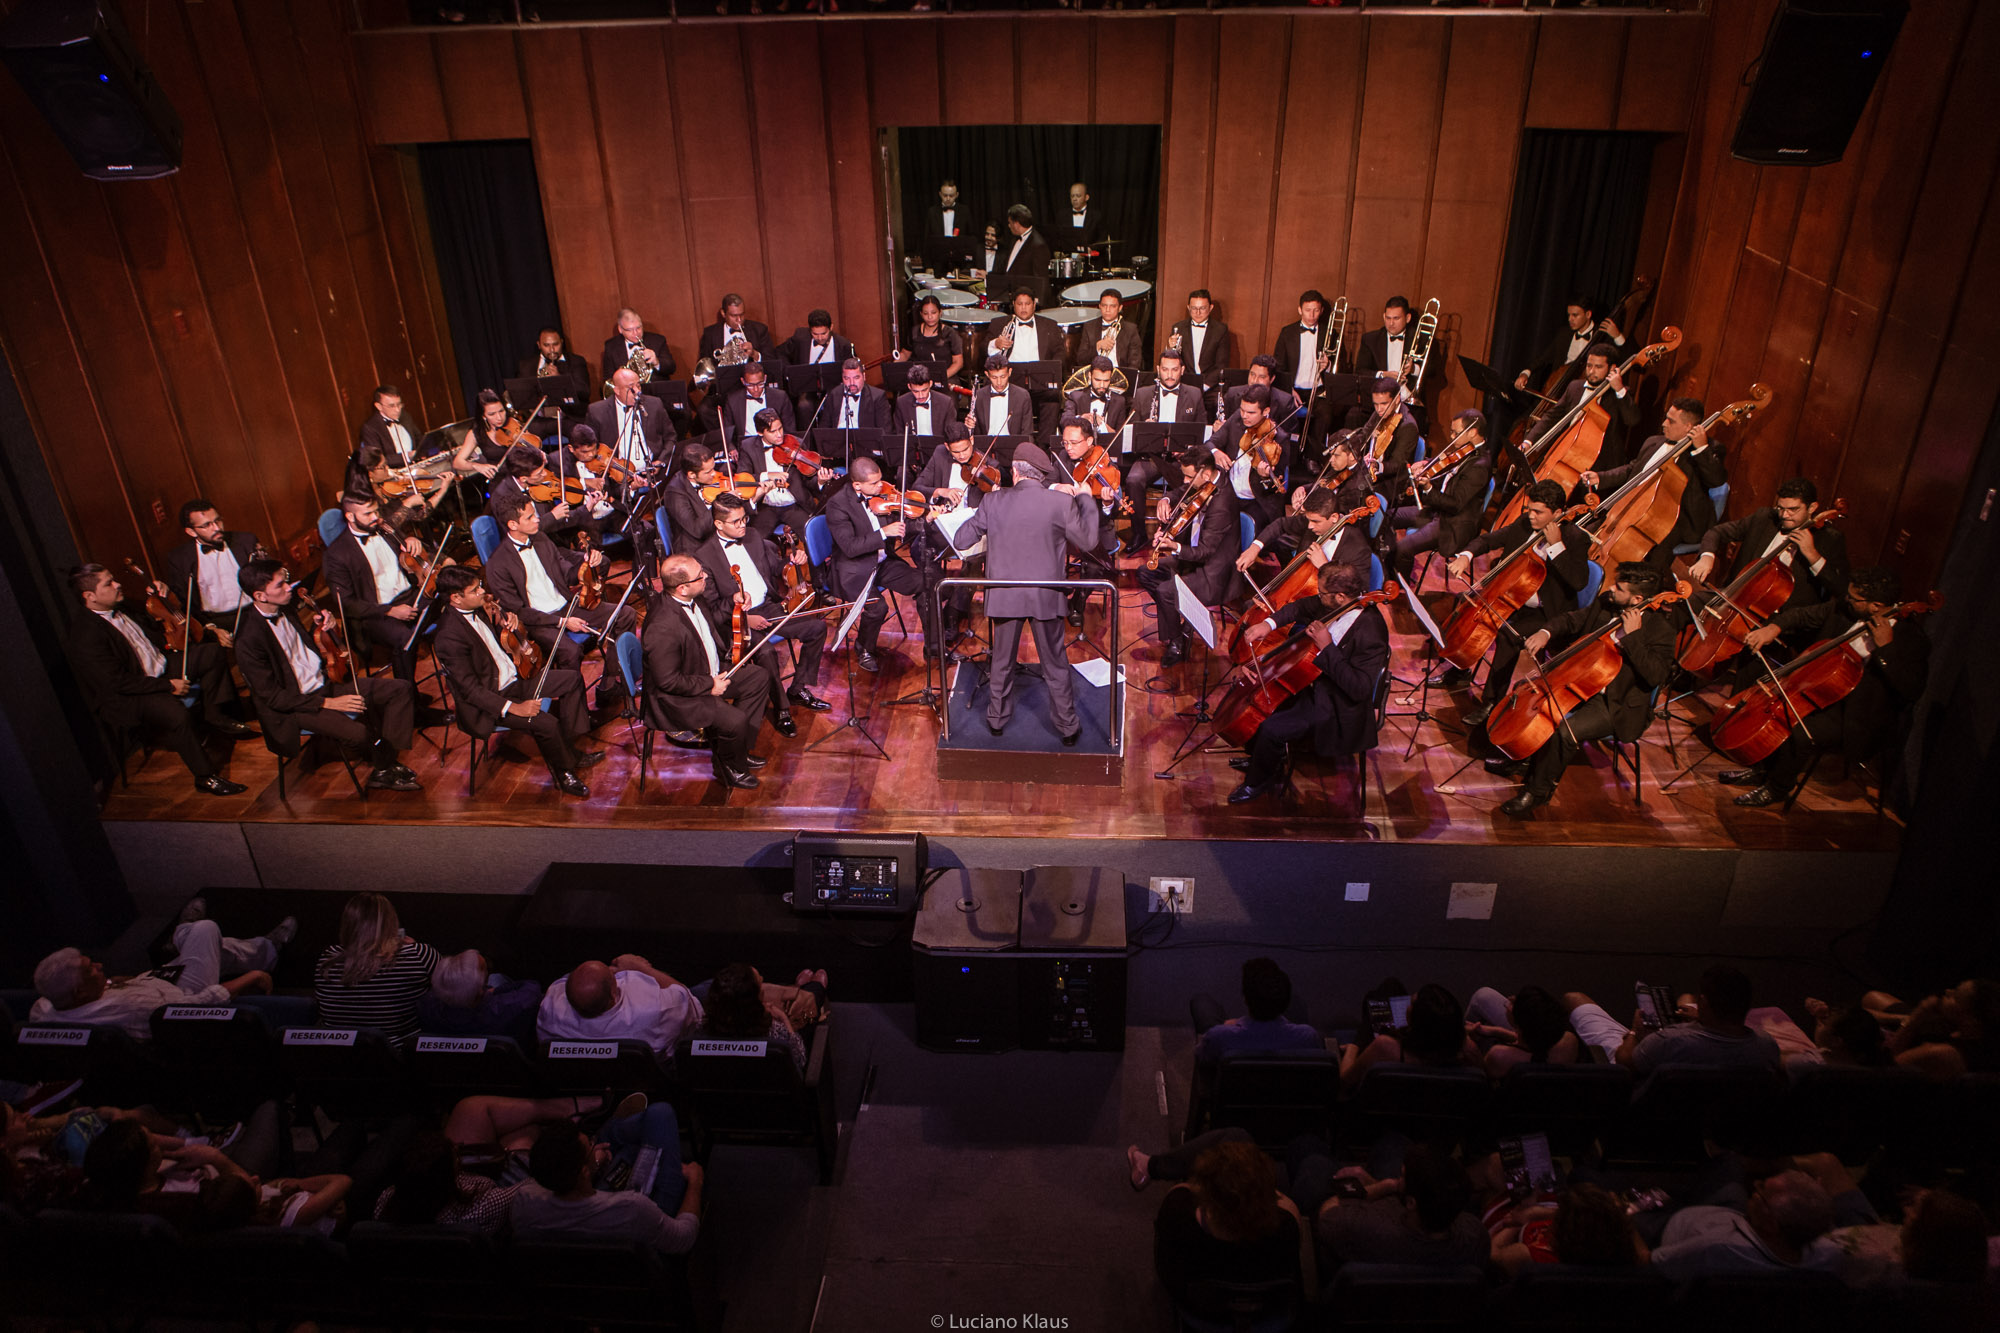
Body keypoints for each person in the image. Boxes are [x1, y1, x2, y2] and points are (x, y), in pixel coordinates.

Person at [1722, 566, 1930, 808]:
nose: (1846, 599)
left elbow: (1912, 689)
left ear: (1876, 606)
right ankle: (1761, 771)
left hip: (1859, 713)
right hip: (1821, 690)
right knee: (1781, 711)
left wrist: (1886, 650)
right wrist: (1773, 629)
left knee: (1798, 730)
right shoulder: (1846, 610)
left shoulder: (1912, 639)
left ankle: (1778, 788)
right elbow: (1802, 615)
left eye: (1854, 598)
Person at [1491, 561, 1677, 819]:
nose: (1611, 588)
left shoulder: (1661, 630)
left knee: (1565, 732)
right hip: (1578, 683)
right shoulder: (1608, 603)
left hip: (1614, 704)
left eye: (1619, 587)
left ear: (1637, 598)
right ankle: (1523, 757)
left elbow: (1656, 675)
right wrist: (1545, 632)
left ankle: (1537, 793)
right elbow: (1573, 620)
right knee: (1536, 703)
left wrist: (1632, 638)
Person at [948, 442, 1099, 741]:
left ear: (1015, 472)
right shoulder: (1059, 503)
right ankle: (1068, 728)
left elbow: (961, 540)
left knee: (1002, 661)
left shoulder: (993, 502)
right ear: (1041, 477)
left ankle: (996, 720)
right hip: (1046, 595)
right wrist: (1086, 499)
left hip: (1005, 596)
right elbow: (1090, 541)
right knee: (1055, 664)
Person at [233, 557, 422, 792]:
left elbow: (302, 652)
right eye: (279, 585)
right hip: (296, 706)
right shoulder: (248, 640)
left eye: (285, 581)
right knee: (359, 731)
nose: (288, 587)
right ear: (260, 596)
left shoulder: (286, 608)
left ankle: (384, 764)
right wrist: (329, 703)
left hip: (323, 683)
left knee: (400, 689)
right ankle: (384, 763)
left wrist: (324, 627)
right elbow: (272, 697)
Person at [67, 563, 253, 795]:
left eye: (114, 579)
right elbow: (117, 683)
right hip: (134, 692)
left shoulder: (122, 605)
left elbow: (152, 614)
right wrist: (168, 686)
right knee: (176, 714)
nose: (118, 584)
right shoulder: (85, 637)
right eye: (109, 583)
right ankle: (205, 777)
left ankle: (214, 715)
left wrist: (158, 593)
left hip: (161, 667)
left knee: (211, 653)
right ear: (90, 596)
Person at [1227, 562, 1390, 805]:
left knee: (1272, 727)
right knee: (1260, 696)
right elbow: (1300, 607)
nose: (1318, 597)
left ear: (1340, 596)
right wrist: (1267, 624)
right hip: (1312, 681)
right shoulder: (1334, 605)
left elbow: (1359, 689)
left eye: (1322, 593)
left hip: (1336, 703)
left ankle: (1259, 781)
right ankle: (1260, 757)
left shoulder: (1371, 630)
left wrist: (1327, 648)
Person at [430, 565, 599, 798]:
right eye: (474, 590)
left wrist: (506, 618)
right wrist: (514, 708)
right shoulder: (448, 638)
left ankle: (570, 747)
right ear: (456, 598)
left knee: (571, 679)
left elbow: (494, 614)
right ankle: (564, 772)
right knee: (546, 723)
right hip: (492, 699)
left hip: (513, 679)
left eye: (479, 586)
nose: (482, 593)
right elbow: (470, 691)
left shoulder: (476, 608)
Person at [30, 899, 288, 1038]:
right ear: (79, 992)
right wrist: (251, 978)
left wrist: (108, 985)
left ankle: (260, 949)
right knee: (206, 930)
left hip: (150, 981)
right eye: (91, 970)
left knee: (214, 950)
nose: (99, 965)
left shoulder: (43, 1010)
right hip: (183, 992)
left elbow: (83, 1009)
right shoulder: (135, 1007)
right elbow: (197, 1007)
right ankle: (262, 954)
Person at [1441, 479, 1592, 717]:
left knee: (1507, 635)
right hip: (1512, 597)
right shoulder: (1524, 524)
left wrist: (1556, 547)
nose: (1530, 516)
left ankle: (1490, 702)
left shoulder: (1575, 538)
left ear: (1558, 513)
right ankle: (1459, 667)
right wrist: (1466, 555)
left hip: (1545, 611)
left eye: (1538, 512)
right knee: (1466, 602)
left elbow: (1579, 581)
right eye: (1529, 509)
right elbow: (1488, 540)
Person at [689, 491, 829, 733]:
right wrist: (745, 617)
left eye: (744, 519)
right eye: (736, 522)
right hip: (737, 621)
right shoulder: (703, 557)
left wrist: (792, 560)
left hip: (770, 606)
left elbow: (774, 567)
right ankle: (782, 708)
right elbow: (711, 609)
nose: (743, 525)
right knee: (764, 652)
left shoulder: (752, 536)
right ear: (718, 524)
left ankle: (797, 689)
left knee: (817, 627)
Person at [641, 554, 772, 789]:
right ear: (682, 588)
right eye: (700, 576)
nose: (706, 578)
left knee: (758, 677)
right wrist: (709, 685)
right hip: (678, 696)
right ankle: (728, 767)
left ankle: (737, 751)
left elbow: (712, 624)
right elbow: (668, 681)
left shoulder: (695, 599)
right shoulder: (662, 627)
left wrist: (735, 602)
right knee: (734, 720)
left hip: (708, 670)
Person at [1148, 1136, 1312, 1323]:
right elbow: (1288, 1206)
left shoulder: (1178, 1213)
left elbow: (1184, 1189)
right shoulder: (1286, 1229)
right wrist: (1256, 1190)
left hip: (1200, 1315)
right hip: (1265, 1318)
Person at [1687, 477, 1850, 660]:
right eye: (1781, 508)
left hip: (1780, 620)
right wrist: (1707, 557)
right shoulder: (1765, 518)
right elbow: (1717, 532)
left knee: (1752, 660)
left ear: (1812, 508)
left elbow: (1841, 588)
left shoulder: (1829, 539)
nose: (1784, 515)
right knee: (1687, 604)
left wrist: (1813, 555)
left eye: (1793, 510)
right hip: (1735, 598)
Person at [483, 491, 628, 687]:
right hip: (539, 621)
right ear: (513, 525)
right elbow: (518, 611)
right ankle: (573, 713)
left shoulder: (541, 539)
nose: (537, 519)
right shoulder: (497, 564)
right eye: (530, 517)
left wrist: (588, 564)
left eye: (535, 513)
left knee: (625, 614)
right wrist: (561, 622)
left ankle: (610, 684)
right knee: (571, 652)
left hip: (566, 605)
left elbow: (567, 574)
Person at [511, 1108, 703, 1255]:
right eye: (590, 1147)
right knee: (661, 1113)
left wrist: (593, 1164)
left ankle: (625, 1145)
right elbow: (684, 1238)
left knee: (623, 1144)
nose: (594, 1148)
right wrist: (695, 1182)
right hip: (644, 1222)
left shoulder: (523, 1202)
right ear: (584, 1172)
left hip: (593, 1236)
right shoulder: (633, 1207)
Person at [1574, 396, 1726, 574]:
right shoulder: (1654, 442)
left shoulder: (1709, 449)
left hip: (1674, 519)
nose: (1664, 424)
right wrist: (1601, 478)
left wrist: (1701, 448)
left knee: (1652, 561)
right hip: (1633, 506)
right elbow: (1633, 469)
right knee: (1582, 535)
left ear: (1689, 427)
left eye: (1671, 421)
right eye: (1666, 417)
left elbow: (1717, 479)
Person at [822, 455, 942, 670]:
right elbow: (850, 547)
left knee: (928, 582)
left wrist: (926, 520)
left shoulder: (882, 497)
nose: (881, 486)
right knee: (877, 608)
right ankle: (864, 648)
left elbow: (901, 526)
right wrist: (883, 533)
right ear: (857, 484)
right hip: (853, 570)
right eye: (874, 483)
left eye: (880, 481)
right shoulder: (837, 505)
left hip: (882, 562)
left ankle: (933, 646)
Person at [1312, 1142, 1491, 1270]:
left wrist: (1381, 1187)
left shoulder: (1359, 1228)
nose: (1398, 1180)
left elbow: (1326, 1212)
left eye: (1402, 1176)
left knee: (1314, 1159)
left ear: (1411, 1203)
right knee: (1393, 1144)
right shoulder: (1476, 1238)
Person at [1139, 446, 1239, 667]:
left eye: (1188, 476)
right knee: (1146, 572)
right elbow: (1181, 491)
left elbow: (1205, 552)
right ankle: (1178, 621)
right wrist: (1165, 499)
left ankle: (1178, 641)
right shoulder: (1203, 483)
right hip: (1192, 558)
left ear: (1205, 473)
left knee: (1166, 591)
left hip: (1212, 572)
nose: (1184, 480)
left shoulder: (1222, 503)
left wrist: (1173, 545)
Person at [321, 493, 429, 682]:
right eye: (367, 514)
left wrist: (411, 541)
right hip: (375, 614)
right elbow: (346, 604)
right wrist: (390, 611)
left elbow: (407, 552)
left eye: (376, 511)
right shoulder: (337, 554)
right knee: (405, 639)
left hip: (411, 596)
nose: (375, 517)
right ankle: (409, 699)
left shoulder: (385, 528)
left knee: (451, 603)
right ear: (350, 517)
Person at [313, 891, 439, 1047]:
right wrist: (413, 948)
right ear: (391, 922)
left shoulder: (328, 959)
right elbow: (453, 988)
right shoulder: (419, 954)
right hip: (399, 1057)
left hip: (341, 1054)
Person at [1389, 409, 1493, 587]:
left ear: (1473, 432)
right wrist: (1426, 463)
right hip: (1437, 510)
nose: (1451, 436)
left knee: (1403, 548)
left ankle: (1400, 590)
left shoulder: (1480, 466)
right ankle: (1389, 572)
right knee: (1388, 516)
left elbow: (1455, 505)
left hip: (1452, 523)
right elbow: (1447, 468)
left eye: (1455, 432)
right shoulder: (1464, 450)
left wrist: (1428, 488)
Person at [537, 954, 703, 1055]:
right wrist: (641, 968)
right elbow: (687, 999)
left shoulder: (550, 1010)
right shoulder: (655, 1009)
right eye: (614, 977)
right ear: (613, 994)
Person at [684, 962, 828, 1074]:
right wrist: (784, 1019)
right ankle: (816, 988)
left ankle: (799, 987)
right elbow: (799, 1060)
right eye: (762, 986)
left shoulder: (697, 1033)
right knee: (810, 1008)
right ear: (755, 1002)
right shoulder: (777, 1034)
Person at [1520, 341, 1642, 474]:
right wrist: (1528, 441)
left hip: (1599, 466)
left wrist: (1619, 389)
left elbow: (1632, 420)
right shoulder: (1575, 387)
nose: (1591, 371)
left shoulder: (1618, 394)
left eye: (1598, 367)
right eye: (1589, 366)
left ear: (1612, 369)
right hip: (1566, 452)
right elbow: (1551, 416)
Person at [1123, 347, 1210, 532]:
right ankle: (1138, 534)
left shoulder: (1194, 394)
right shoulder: (1143, 394)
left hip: (1182, 459)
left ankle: (1179, 533)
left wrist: (1188, 450)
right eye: (1165, 369)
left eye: (1174, 369)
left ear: (1183, 370)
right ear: (1158, 369)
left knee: (1193, 481)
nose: (1169, 375)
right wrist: (1144, 428)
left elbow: (1203, 433)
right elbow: (1131, 436)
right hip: (1152, 457)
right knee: (1133, 480)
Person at [1339, 983, 1481, 1088]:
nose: (1407, 1006)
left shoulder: (1385, 1046)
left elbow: (1345, 1079)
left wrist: (1353, 1048)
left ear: (1416, 1021)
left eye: (1411, 1004)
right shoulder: (1468, 1050)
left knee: (1376, 1001)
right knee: (1391, 987)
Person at [374, 1129, 520, 1231]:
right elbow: (526, 1189)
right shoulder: (484, 1206)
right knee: (522, 1136)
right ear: (449, 1174)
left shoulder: (386, 1200)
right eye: (456, 1158)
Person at [1189, 957, 1322, 1068]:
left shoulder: (1219, 1036)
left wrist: (1228, 1027)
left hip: (1235, 1096)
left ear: (1245, 999)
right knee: (1298, 1003)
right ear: (1285, 1000)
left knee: (1201, 1002)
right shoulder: (1308, 1037)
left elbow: (1202, 1057)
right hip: (1287, 1096)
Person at [161, 499, 263, 639]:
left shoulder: (246, 541)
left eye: (218, 520)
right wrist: (211, 629)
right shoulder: (180, 559)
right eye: (207, 525)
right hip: (216, 622)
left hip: (255, 611)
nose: (216, 528)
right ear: (191, 531)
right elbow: (185, 601)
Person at [416, 949, 544, 1047]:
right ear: (480, 991)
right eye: (485, 970)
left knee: (496, 978)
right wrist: (494, 991)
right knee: (497, 978)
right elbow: (532, 988)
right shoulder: (511, 1007)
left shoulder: (426, 1008)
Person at [1210, 382, 1290, 531]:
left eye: (1251, 413)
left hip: (1258, 502)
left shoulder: (1280, 439)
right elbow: (1211, 443)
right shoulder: (1236, 419)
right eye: (1242, 410)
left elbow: (1273, 488)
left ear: (1266, 411)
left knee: (1246, 529)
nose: (1245, 416)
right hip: (1230, 495)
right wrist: (1216, 452)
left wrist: (1264, 477)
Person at [349, 384, 435, 521]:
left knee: (439, 479)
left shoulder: (405, 416)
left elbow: (419, 439)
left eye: (399, 404)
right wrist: (406, 456)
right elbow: (377, 461)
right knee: (421, 497)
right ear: (378, 406)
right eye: (392, 406)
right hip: (394, 475)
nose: (397, 410)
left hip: (416, 467)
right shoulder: (370, 428)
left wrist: (423, 452)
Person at [1464, 984, 1584, 1078]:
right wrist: (1498, 1031)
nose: (1510, 1000)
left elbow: (1479, 1078)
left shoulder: (1498, 1056)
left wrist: (1467, 1038)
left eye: (1513, 1005)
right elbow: (1534, 1050)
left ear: (1519, 1025)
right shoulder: (1568, 1042)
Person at [1514, 295, 1611, 399]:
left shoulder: (1601, 336)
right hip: (1558, 388)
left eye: (1575, 315)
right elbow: (1543, 358)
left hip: (1584, 393)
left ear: (1588, 314)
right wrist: (1525, 373)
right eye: (1569, 315)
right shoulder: (1564, 334)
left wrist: (1618, 336)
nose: (1570, 319)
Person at [585, 367, 675, 472]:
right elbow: (590, 448)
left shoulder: (654, 404)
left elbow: (670, 437)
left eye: (638, 386)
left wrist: (661, 461)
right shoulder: (597, 411)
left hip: (652, 473)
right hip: (617, 477)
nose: (637, 391)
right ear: (617, 390)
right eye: (631, 388)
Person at [520, 325, 591, 443]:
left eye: (556, 344)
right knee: (524, 441)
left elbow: (584, 391)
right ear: (539, 345)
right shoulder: (526, 366)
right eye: (546, 345)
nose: (552, 349)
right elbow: (523, 395)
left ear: (561, 342)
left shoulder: (576, 362)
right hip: (540, 420)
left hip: (568, 417)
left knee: (581, 438)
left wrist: (559, 379)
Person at [712, 359, 796, 447]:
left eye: (760, 384)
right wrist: (731, 448)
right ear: (743, 381)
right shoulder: (733, 400)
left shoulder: (780, 397)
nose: (756, 389)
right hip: (746, 447)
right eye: (750, 385)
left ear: (765, 378)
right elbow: (727, 431)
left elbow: (790, 429)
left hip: (775, 447)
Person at [1070, 288, 1144, 375]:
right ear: (1099, 306)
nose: (1107, 310)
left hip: (1120, 376)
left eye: (1112, 306)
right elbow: (1080, 360)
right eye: (1104, 305)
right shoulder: (1089, 326)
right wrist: (1097, 347)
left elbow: (1135, 363)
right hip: (1095, 377)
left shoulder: (1130, 329)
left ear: (1120, 308)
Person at [1062, 355, 1130, 446]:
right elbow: (1064, 421)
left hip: (1108, 449)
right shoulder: (1075, 397)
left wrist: (1103, 425)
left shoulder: (1119, 401)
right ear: (1090, 376)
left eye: (1106, 381)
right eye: (1097, 380)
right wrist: (1082, 418)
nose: (1102, 385)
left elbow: (1121, 435)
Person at [966, 352, 1033, 442]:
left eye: (1003, 377)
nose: (999, 382)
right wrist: (969, 426)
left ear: (1009, 372)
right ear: (987, 374)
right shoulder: (979, 396)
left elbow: (1027, 433)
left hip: (1013, 447)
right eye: (994, 377)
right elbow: (975, 434)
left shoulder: (1022, 396)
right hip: (985, 448)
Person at [696, 292, 775, 368]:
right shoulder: (710, 334)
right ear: (723, 313)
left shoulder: (759, 330)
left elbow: (772, 363)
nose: (739, 320)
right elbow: (704, 364)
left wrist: (754, 354)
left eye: (742, 314)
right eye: (734, 316)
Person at [1168, 288, 1232, 382]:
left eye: (1202, 308)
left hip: (1210, 386)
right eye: (1194, 308)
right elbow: (1172, 361)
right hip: (1184, 383)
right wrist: (1170, 347)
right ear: (1188, 307)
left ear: (1210, 308)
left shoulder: (1221, 330)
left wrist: (1204, 386)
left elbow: (1221, 365)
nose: (1198, 313)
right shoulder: (1178, 328)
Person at [601, 307, 676, 387]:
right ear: (620, 329)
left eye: (638, 328)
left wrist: (656, 362)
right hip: (628, 394)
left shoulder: (657, 340)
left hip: (656, 391)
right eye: (629, 330)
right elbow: (608, 377)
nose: (635, 333)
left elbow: (671, 368)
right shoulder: (611, 346)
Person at [994, 204, 1051, 304]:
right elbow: (1009, 269)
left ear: (1016, 223)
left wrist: (1035, 305)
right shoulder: (1013, 239)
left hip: (1025, 303)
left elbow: (1041, 280)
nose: (1008, 226)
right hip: (1011, 300)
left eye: (1009, 222)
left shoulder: (1038, 245)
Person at [900, 295, 965, 385]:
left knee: (948, 398)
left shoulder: (950, 333)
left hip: (946, 377)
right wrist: (896, 362)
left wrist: (942, 377)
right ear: (921, 314)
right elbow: (905, 354)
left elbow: (958, 362)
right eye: (926, 313)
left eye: (933, 313)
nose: (930, 317)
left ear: (940, 312)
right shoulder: (914, 331)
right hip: (920, 379)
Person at [823, 356, 892, 433]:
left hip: (865, 442)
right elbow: (824, 429)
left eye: (856, 377)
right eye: (847, 378)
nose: (852, 383)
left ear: (864, 377)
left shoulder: (878, 397)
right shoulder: (834, 394)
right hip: (837, 442)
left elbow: (885, 432)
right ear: (842, 378)